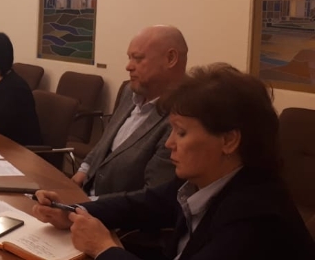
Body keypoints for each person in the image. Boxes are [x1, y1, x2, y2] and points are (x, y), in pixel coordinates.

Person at [31, 64, 315, 260]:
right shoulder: (204, 181)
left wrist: (104, 248)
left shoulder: (255, 217)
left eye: (181, 132)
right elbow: (143, 204)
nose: (169, 143)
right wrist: (72, 211)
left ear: (229, 141)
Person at [72, 25, 186, 199]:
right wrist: (83, 170)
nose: (128, 66)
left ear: (170, 58)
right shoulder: (130, 91)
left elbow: (152, 196)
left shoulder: (183, 115)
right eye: (129, 58)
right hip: (85, 195)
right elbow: (106, 141)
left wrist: (87, 203)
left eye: (138, 59)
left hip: (115, 212)